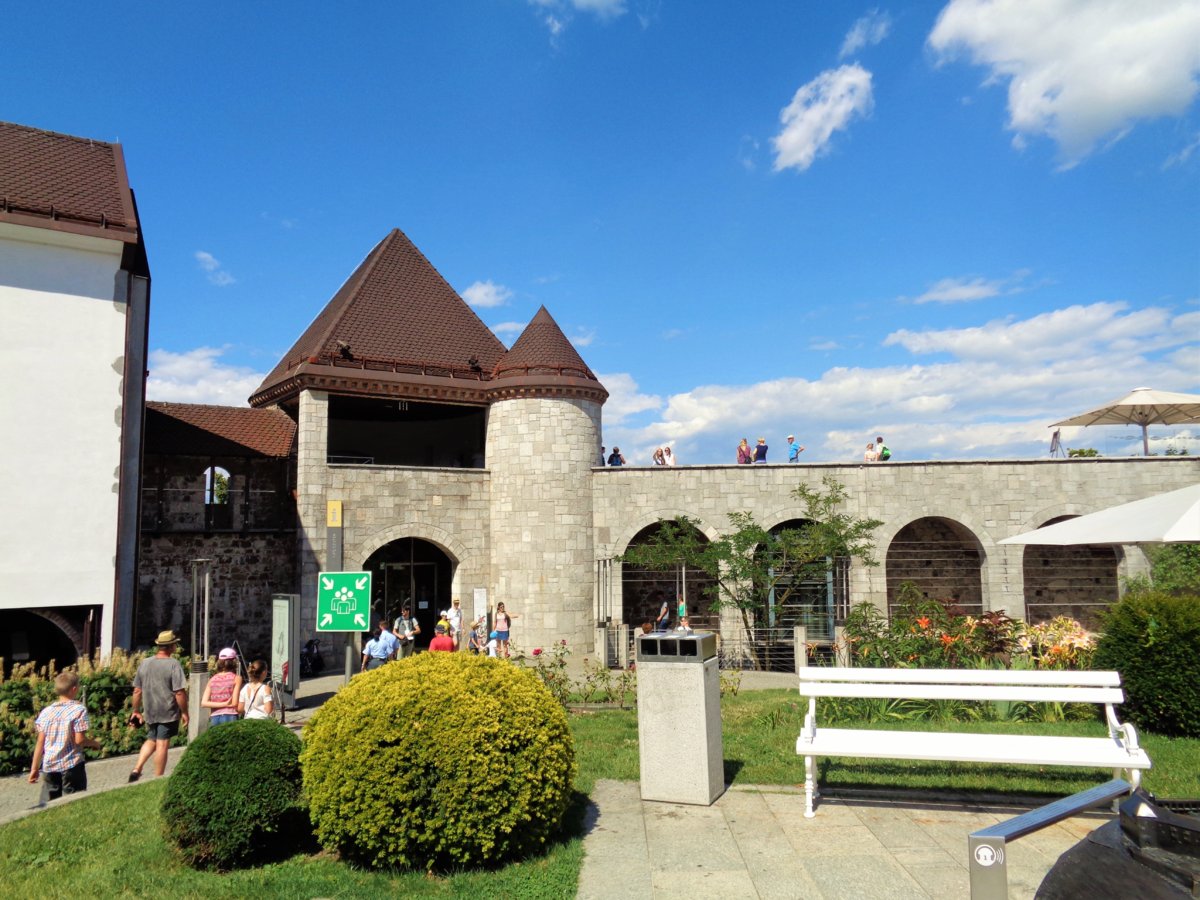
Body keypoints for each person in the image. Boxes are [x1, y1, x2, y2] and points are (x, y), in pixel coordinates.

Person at [28, 671, 101, 803]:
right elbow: (79, 740)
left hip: (50, 765)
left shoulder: (46, 712)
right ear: (74, 689)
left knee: (48, 804)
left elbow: (40, 741)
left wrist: (34, 768)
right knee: (73, 801)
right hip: (71, 764)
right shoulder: (78, 710)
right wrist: (95, 744)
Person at [128, 629, 188, 782]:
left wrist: (136, 710)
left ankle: (137, 768)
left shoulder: (145, 663)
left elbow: (137, 690)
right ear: (171, 646)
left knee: (151, 739)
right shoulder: (173, 664)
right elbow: (179, 693)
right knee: (162, 744)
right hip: (167, 710)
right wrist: (185, 712)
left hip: (150, 710)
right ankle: (158, 778)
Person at [200, 647, 243, 726]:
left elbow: (203, 703)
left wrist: (223, 704)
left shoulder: (212, 679)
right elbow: (234, 703)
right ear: (234, 662)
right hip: (230, 716)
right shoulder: (237, 678)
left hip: (214, 717)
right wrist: (226, 704)